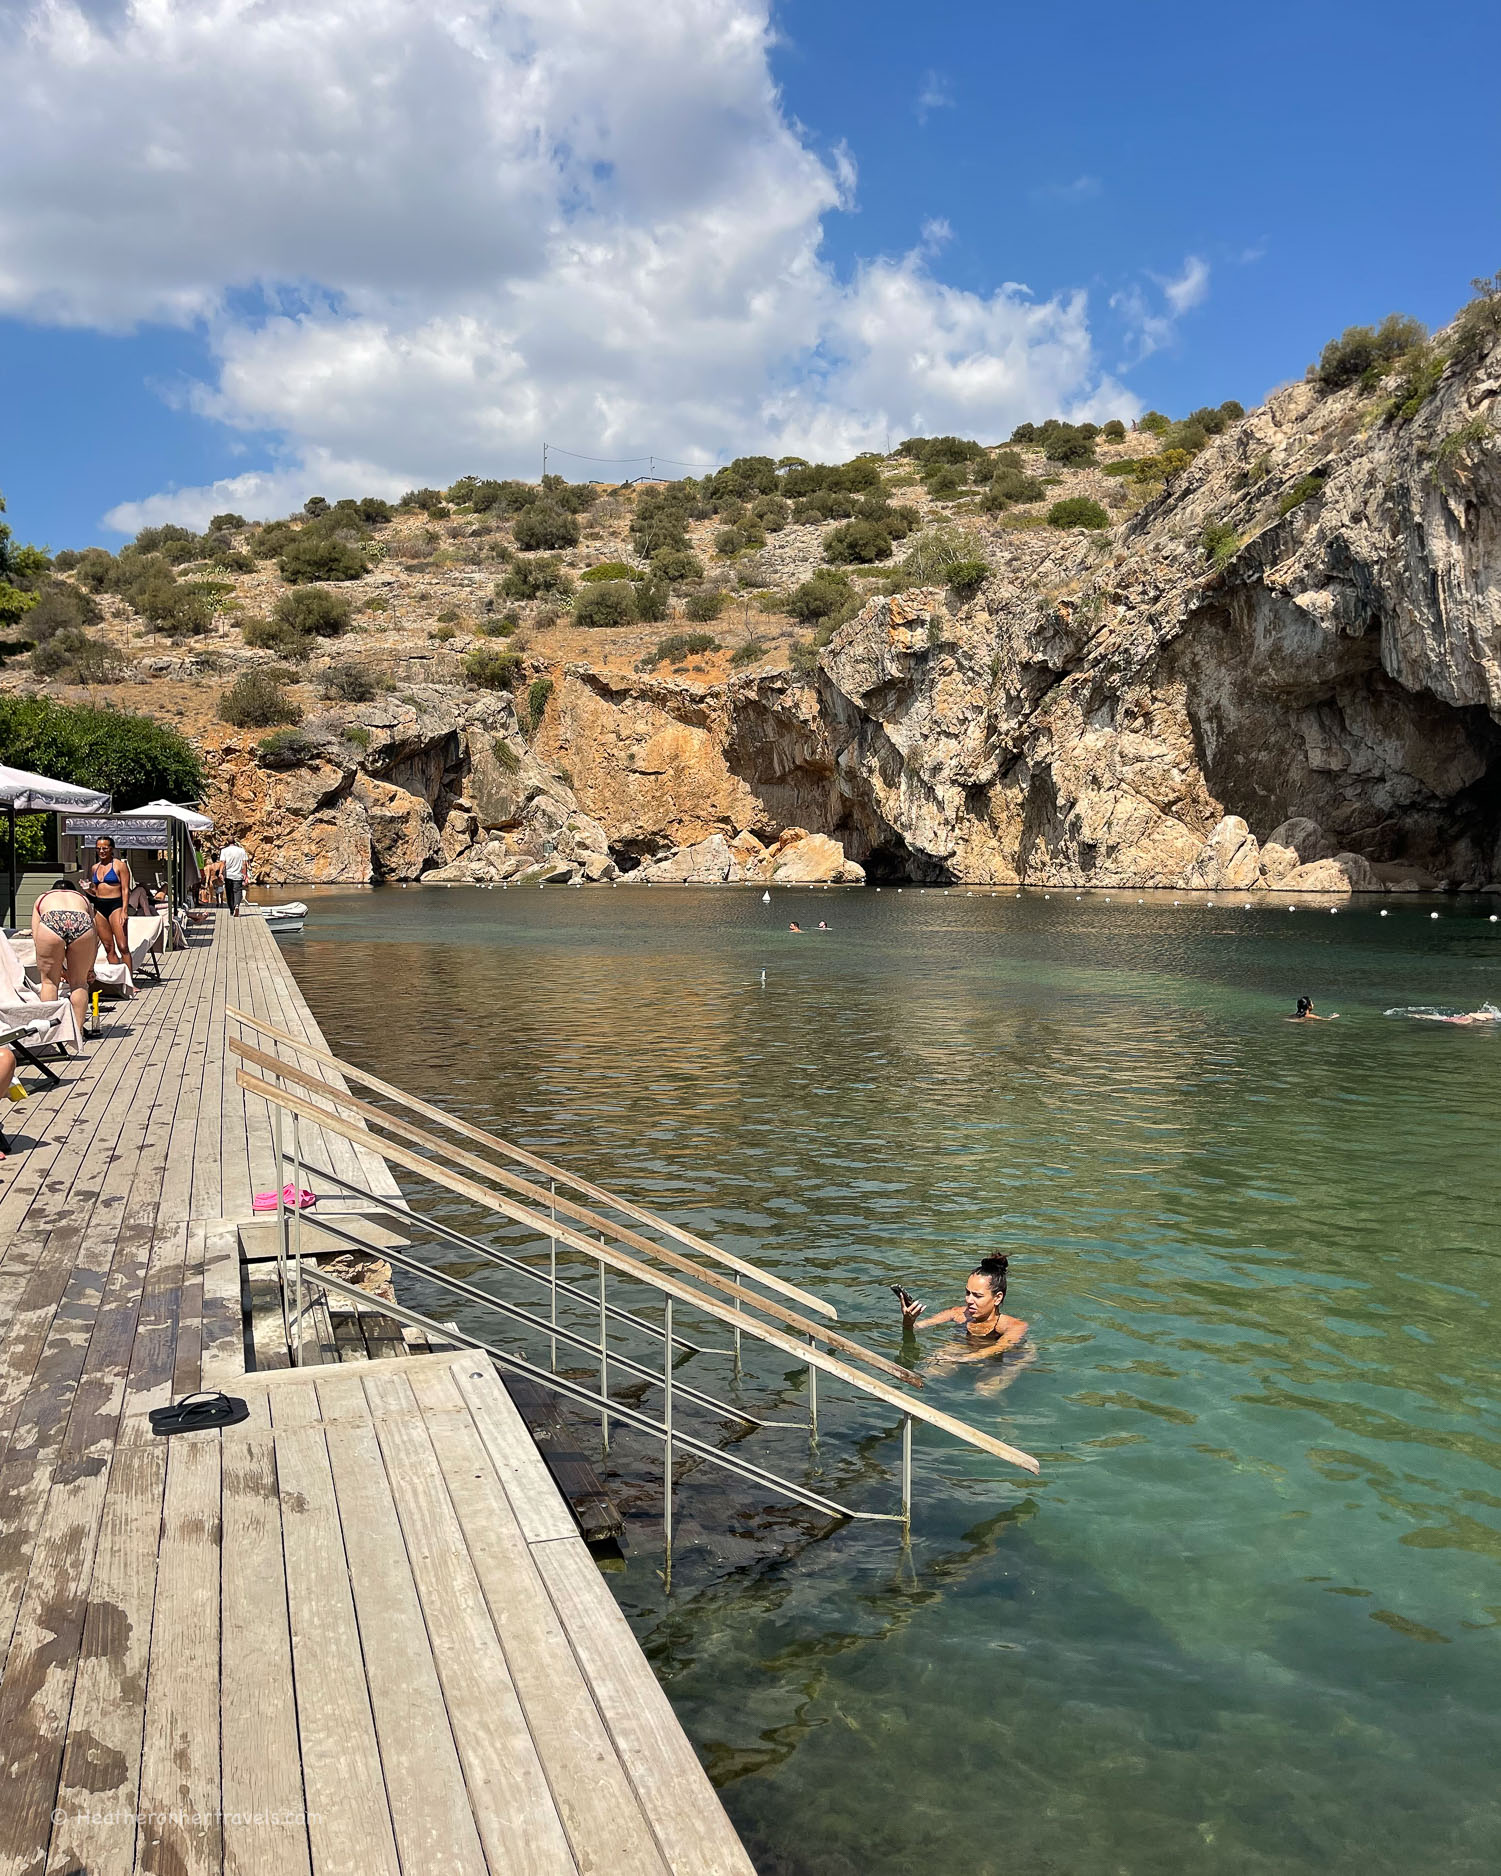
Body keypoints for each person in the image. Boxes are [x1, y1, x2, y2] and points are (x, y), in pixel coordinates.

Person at [896, 1255, 1028, 1362]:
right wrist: (908, 1320)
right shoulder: (958, 1314)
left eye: (977, 1296)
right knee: (932, 1368)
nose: (969, 1300)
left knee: (984, 1389)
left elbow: (999, 1347)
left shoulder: (1013, 1325)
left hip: (1011, 1358)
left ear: (997, 1298)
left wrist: (964, 1358)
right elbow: (916, 1328)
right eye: (967, 1293)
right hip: (968, 1348)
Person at [31, 879, 98, 1041]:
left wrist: (58, 967)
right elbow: (95, 936)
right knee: (80, 983)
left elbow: (35, 934)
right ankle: (77, 1033)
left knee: (49, 982)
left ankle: (52, 1034)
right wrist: (90, 967)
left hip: (52, 918)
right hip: (81, 920)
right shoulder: (82, 899)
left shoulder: (43, 898)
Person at [83, 836, 132, 967]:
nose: (101, 851)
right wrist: (87, 890)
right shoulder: (95, 868)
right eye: (98, 849)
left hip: (116, 905)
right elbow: (96, 891)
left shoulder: (120, 866)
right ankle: (117, 981)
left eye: (105, 848)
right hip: (99, 906)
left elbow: (126, 890)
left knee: (123, 946)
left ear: (112, 849)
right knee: (108, 947)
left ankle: (129, 983)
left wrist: (124, 911)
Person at [219, 840, 249, 916]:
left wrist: (220, 873)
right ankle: (237, 906)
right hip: (238, 875)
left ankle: (232, 910)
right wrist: (245, 874)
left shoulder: (224, 851)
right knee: (238, 891)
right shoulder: (241, 850)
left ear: (227, 842)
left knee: (229, 893)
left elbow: (223, 863)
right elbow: (244, 864)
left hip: (228, 875)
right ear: (235, 842)